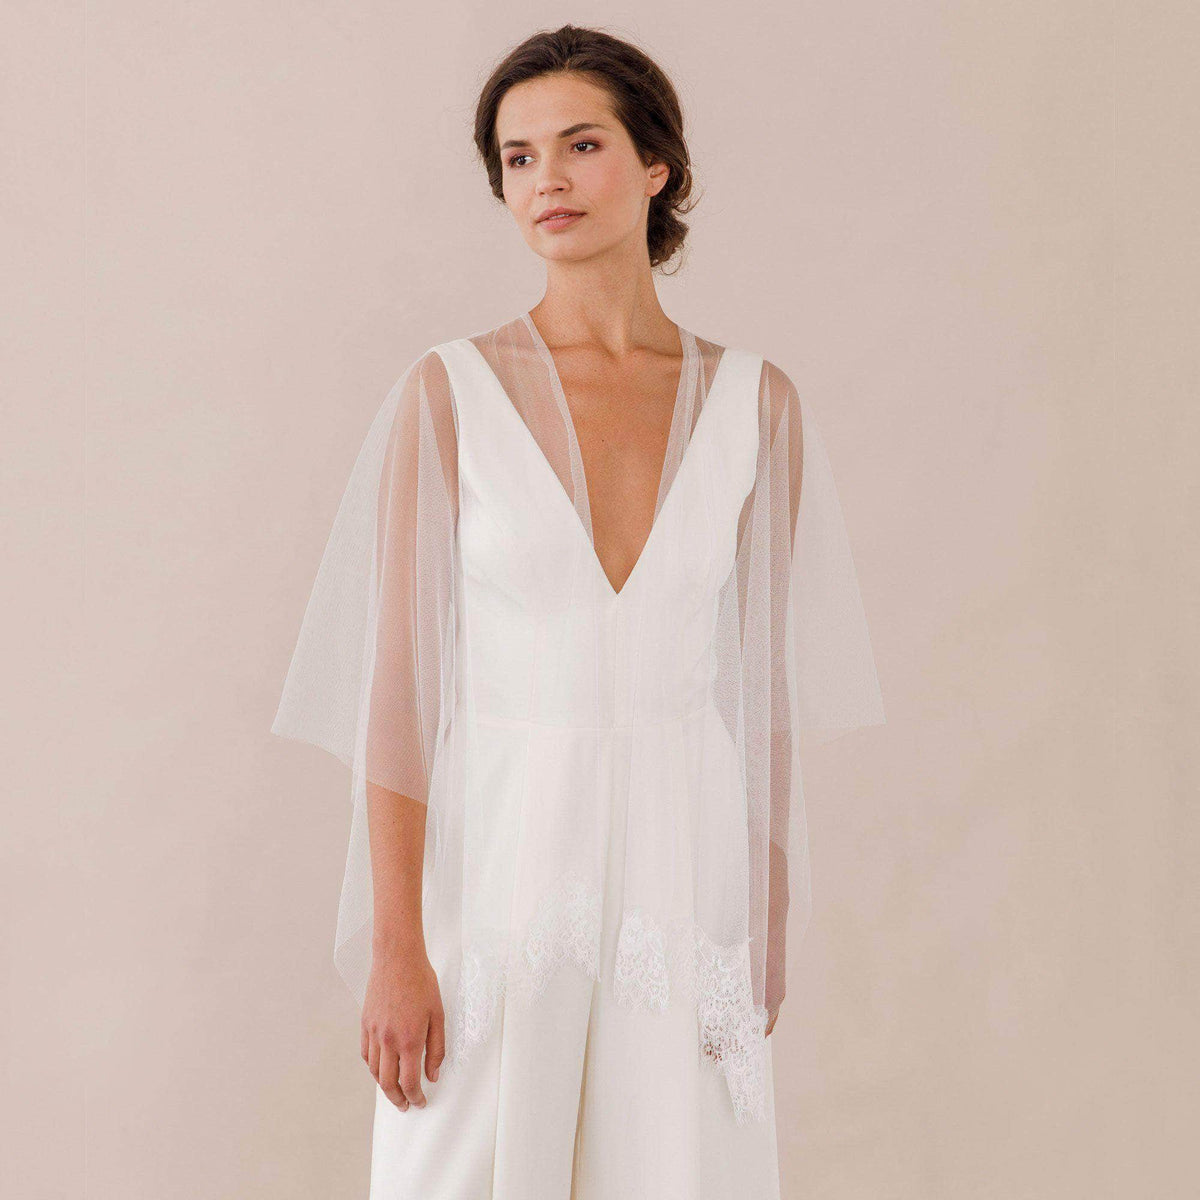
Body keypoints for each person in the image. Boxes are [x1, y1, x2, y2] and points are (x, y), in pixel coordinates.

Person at [272, 24, 885, 1199]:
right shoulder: (449, 394)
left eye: (580, 144)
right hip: (500, 860)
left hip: (682, 869)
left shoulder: (756, 404)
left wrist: (764, 906)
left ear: (658, 166)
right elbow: (399, 690)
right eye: (517, 158)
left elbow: (758, 681)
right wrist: (398, 944)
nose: (545, 179)